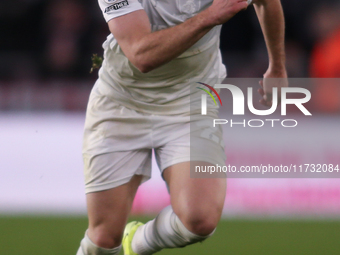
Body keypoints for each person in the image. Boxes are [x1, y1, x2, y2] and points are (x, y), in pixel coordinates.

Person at [76, 0, 287, 254]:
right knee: (104, 239)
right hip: (122, 104)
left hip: (191, 102)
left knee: (200, 220)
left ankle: (137, 242)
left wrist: (277, 66)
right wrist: (209, 16)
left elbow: (266, 2)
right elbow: (141, 54)